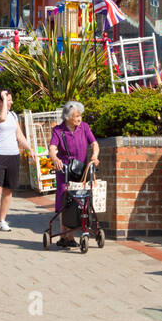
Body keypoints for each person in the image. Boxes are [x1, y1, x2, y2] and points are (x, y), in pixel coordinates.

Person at [48, 100, 98, 248]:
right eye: (76, 116)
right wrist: (55, 158)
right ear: (68, 117)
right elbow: (52, 148)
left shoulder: (84, 127)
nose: (79, 119)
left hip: (81, 170)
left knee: (81, 199)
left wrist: (95, 155)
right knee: (66, 199)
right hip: (65, 170)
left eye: (80, 116)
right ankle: (66, 235)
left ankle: (71, 234)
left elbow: (94, 143)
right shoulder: (58, 130)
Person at [0, 87, 31, 235]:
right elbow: (1, 119)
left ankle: (3, 220)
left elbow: (19, 135)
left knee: (8, 190)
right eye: (8, 99)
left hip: (13, 155)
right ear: (0, 101)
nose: (11, 102)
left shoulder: (13, 115)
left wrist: (30, 149)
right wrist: (4, 99)